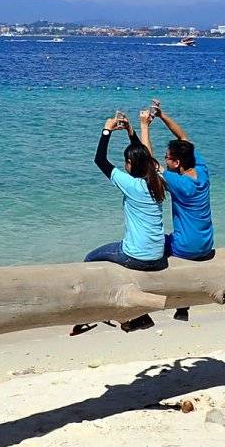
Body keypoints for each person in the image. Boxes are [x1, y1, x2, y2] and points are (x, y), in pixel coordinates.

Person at [72, 112, 168, 335]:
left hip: (137, 256)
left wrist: (106, 129)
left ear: (130, 164)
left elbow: (100, 160)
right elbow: (146, 158)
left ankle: (108, 313)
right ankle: (137, 315)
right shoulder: (158, 181)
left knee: (90, 259)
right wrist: (130, 132)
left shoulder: (131, 185)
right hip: (158, 256)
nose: (124, 165)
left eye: (126, 162)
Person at [140, 100, 215, 321]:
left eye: (167, 158)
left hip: (186, 247)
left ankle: (147, 309)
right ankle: (183, 308)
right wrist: (162, 116)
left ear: (176, 162)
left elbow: (147, 162)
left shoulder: (177, 182)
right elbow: (185, 138)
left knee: (147, 248)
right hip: (207, 243)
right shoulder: (201, 171)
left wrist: (144, 126)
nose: (165, 160)